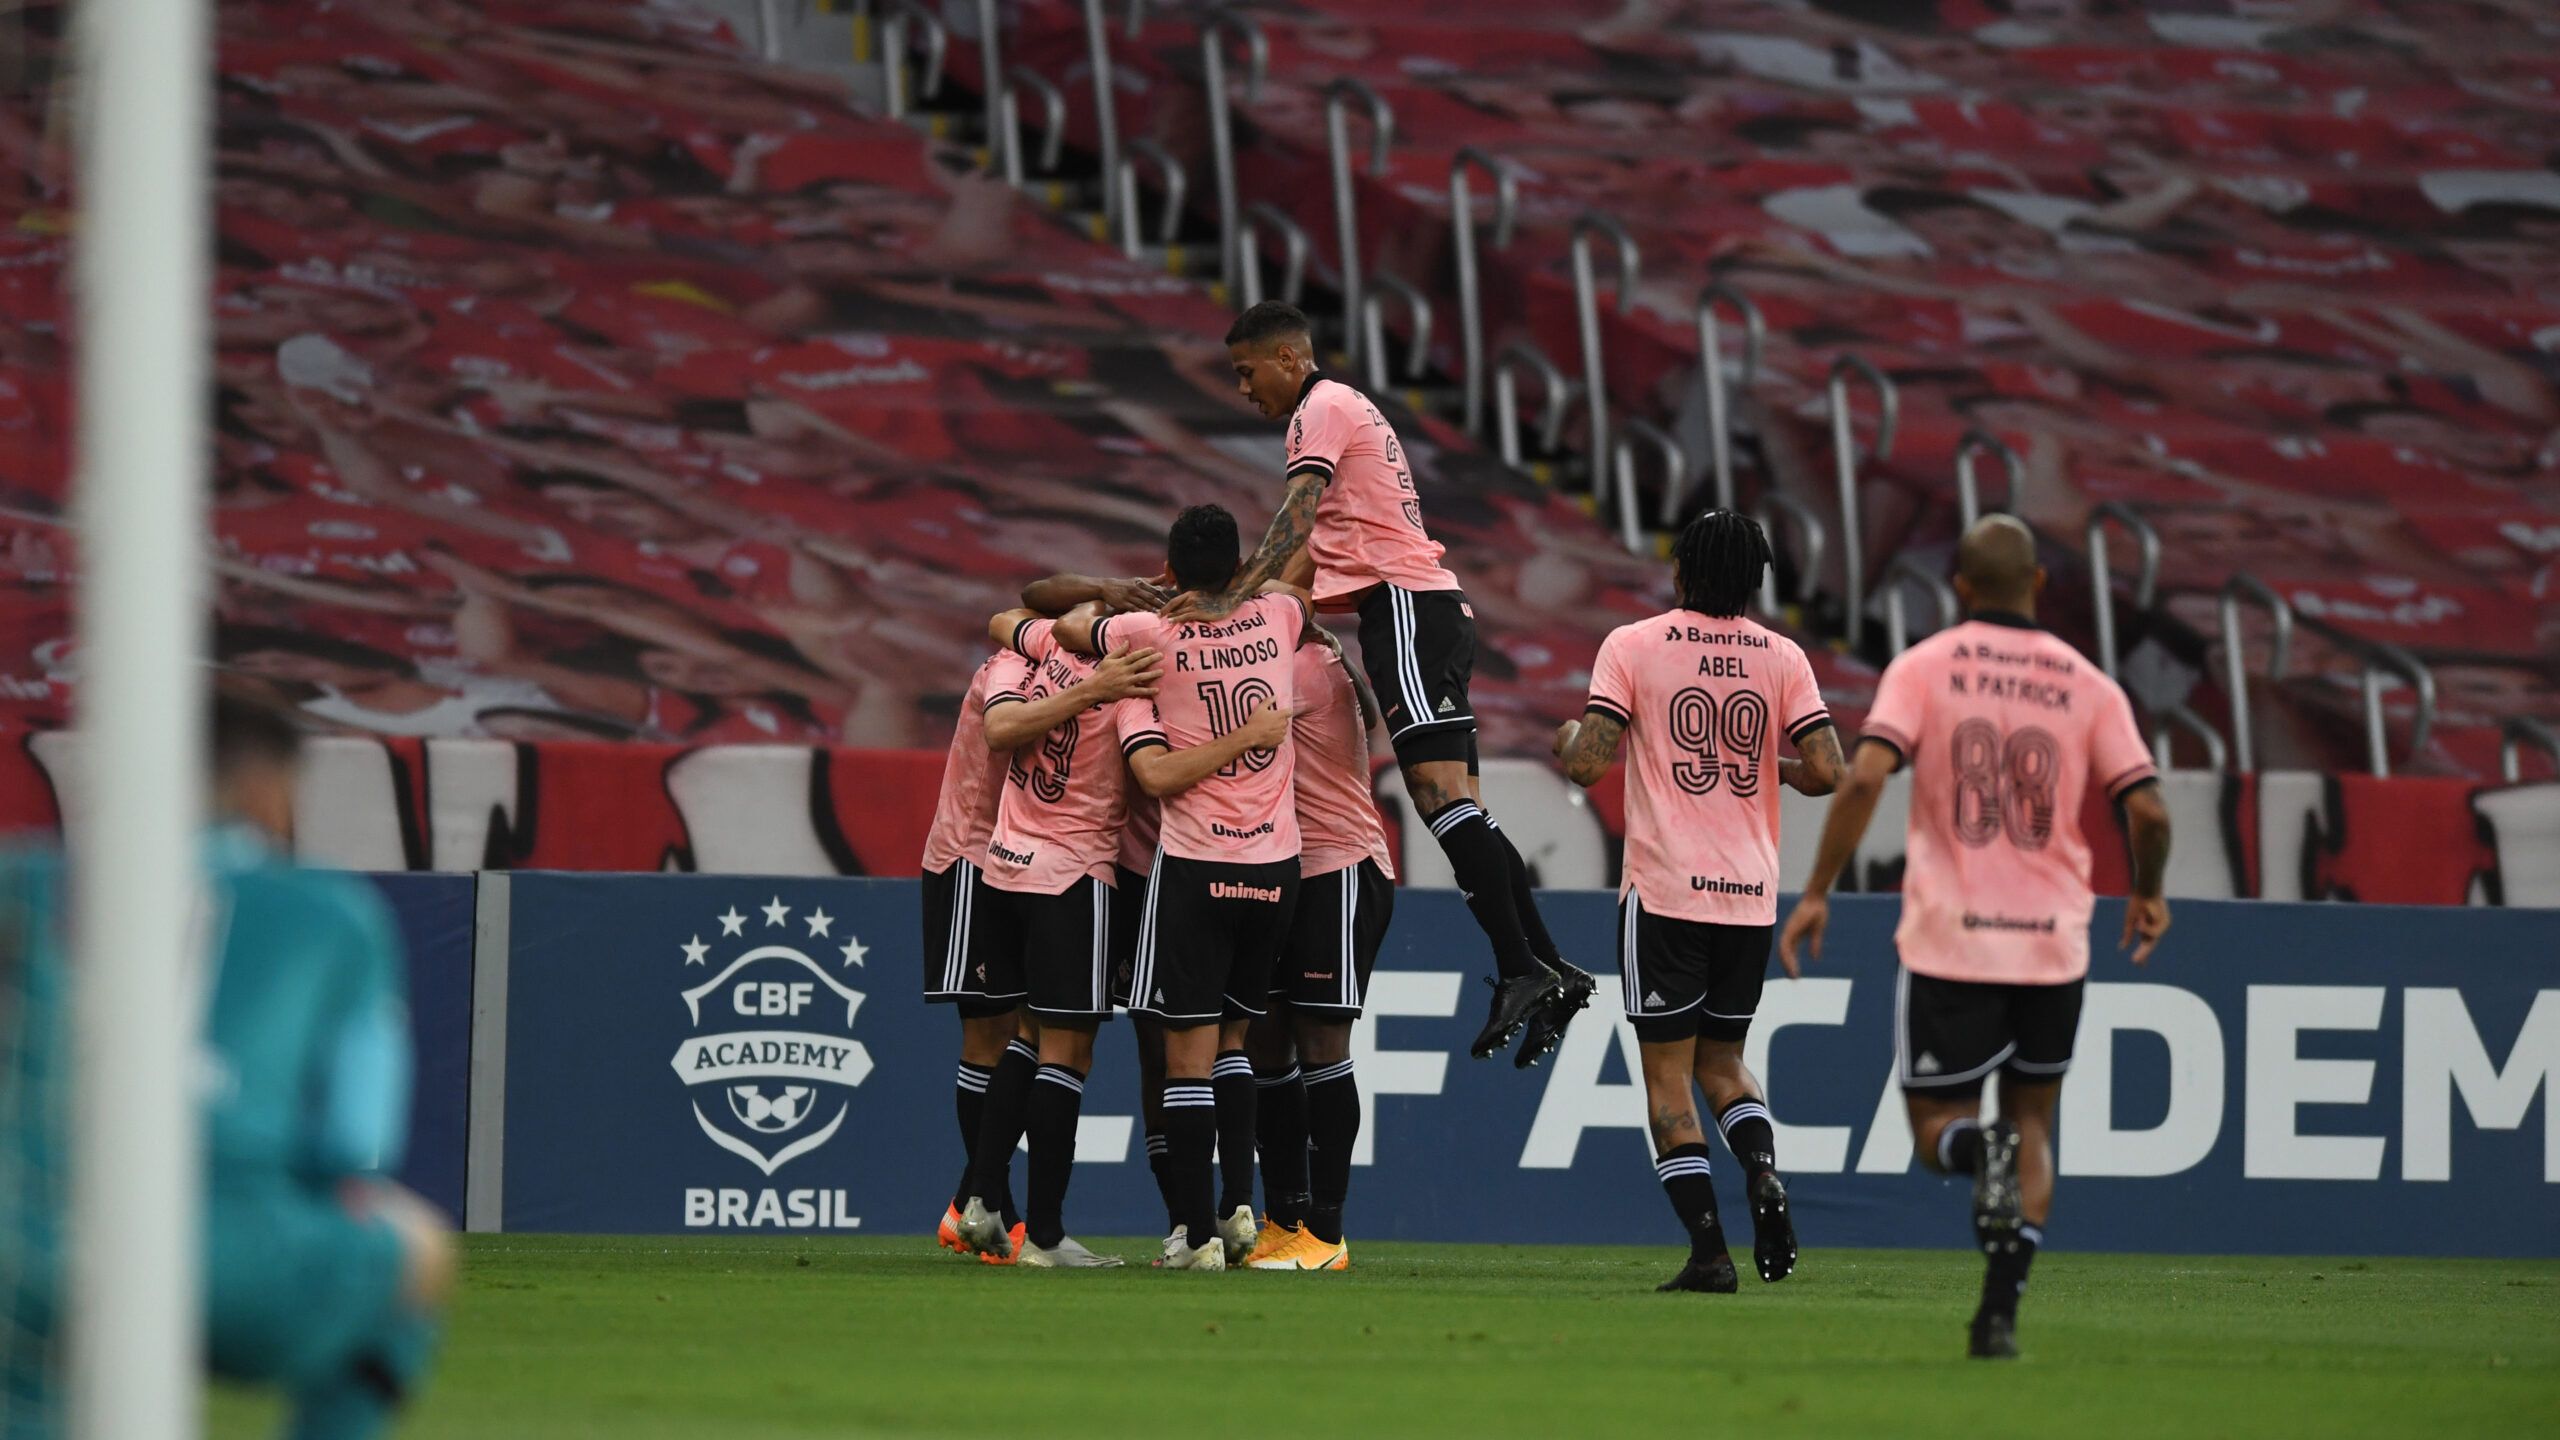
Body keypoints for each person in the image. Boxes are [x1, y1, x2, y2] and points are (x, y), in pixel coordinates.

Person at [1778, 515, 2174, 1359]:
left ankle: (1972, 1147)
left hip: (1952, 938)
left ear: (1958, 586)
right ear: (2037, 585)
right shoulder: (2088, 683)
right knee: (2034, 1127)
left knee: (1937, 1133)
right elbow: (2146, 805)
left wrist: (1817, 892)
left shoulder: (1924, 668)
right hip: (2052, 942)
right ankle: (1998, 1314)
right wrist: (2148, 891)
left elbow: (1866, 778)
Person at [1178, 300, 1594, 1068]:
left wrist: (1226, 604)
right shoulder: (1347, 414)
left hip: (1404, 613)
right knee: (1463, 805)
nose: (1243, 389)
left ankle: (1521, 966)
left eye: (1246, 371)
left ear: (1289, 359)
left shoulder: (1320, 409)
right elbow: (1305, 564)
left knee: (1437, 801)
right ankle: (1544, 964)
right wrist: (1235, 603)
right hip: (1427, 610)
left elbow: (1298, 518)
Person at [1550, 511, 1844, 1294]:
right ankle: (1761, 1169)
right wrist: (1764, 768)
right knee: (1725, 1063)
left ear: (1680, 573)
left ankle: (1710, 1252)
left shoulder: (1635, 645)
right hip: (1748, 896)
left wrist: (1565, 736)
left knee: (1668, 1081)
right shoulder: (1783, 656)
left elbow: (1586, 766)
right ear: (1755, 580)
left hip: (1667, 890)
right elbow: (1828, 769)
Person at [1058, 504, 1311, 1271]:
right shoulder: (1279, 618)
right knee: (1237, 1041)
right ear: (1239, 570)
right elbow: (1298, 570)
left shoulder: (1146, 635)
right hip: (1276, 867)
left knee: (1187, 1056)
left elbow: (1069, 626)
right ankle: (1239, 1210)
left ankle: (1196, 1235)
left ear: (1167, 571)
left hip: (1197, 864)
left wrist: (1128, 600)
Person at [920, 639, 1157, 1263]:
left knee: (1023, 1037)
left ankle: (982, 1204)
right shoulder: (1014, 665)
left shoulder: (1059, 657)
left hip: (1010, 859)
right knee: (1006, 1042)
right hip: (977, 857)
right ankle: (1020, 1222)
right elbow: (1001, 728)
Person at [1243, 629, 1396, 1272]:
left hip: (1339, 866)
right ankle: (1284, 1220)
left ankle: (1326, 1233)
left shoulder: (1298, 665)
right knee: (1267, 1044)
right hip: (1286, 870)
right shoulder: (1316, 654)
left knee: (1323, 1045)